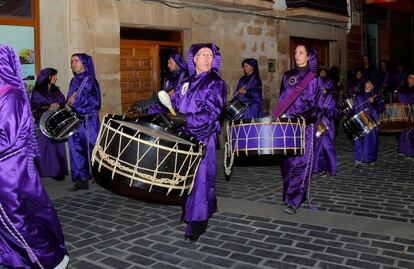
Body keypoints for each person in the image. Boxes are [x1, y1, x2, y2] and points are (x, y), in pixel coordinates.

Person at [0, 44, 69, 268]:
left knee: (17, 218)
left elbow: (7, 137)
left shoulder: (10, 95)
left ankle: (48, 259)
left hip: (10, 166)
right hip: (11, 163)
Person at [153, 43, 226, 241]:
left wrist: (186, 119)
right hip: (184, 137)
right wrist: (160, 113)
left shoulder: (216, 83)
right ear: (194, 59)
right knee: (187, 178)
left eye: (210, 55)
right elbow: (174, 105)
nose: (206, 58)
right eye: (202, 55)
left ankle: (197, 222)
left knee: (201, 179)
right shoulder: (185, 82)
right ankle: (198, 208)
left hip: (203, 137)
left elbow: (212, 113)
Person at [274, 45, 322, 215]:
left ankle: (294, 200)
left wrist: (305, 118)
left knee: (300, 163)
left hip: (304, 126)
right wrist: (279, 115)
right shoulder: (287, 76)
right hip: (286, 125)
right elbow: (282, 98)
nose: (297, 55)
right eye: (295, 52)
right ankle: (288, 194)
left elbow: (317, 106)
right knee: (287, 163)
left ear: (308, 56)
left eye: (301, 52)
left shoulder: (314, 78)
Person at [66, 53, 101, 191]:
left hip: (89, 122)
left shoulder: (91, 81)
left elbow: (96, 103)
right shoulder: (73, 81)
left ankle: (98, 177)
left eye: (76, 61)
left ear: (84, 63)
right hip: (74, 122)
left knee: (92, 149)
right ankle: (81, 180)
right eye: (71, 61)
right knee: (75, 150)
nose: (72, 64)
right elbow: (70, 99)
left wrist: (77, 102)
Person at [30, 68, 68, 181]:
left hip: (55, 123)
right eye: (54, 76)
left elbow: (63, 102)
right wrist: (48, 107)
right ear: (48, 77)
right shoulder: (37, 91)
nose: (56, 78)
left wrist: (59, 104)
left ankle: (58, 172)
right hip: (42, 124)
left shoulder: (56, 90)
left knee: (57, 147)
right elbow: (34, 108)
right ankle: (41, 171)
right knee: (43, 147)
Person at [352, 79, 385, 168]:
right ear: (364, 84)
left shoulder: (376, 97)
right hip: (361, 120)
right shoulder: (359, 96)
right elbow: (356, 108)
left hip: (373, 121)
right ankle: (358, 160)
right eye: (367, 82)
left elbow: (381, 108)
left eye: (371, 83)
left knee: (372, 140)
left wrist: (373, 102)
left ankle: (371, 159)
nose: (370, 85)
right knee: (359, 140)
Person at [313, 74, 338, 177]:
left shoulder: (330, 98)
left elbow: (334, 112)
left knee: (326, 147)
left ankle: (327, 167)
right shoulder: (315, 96)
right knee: (316, 147)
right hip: (316, 124)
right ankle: (317, 168)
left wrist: (326, 110)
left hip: (326, 126)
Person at [396, 70, 414, 158]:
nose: (412, 80)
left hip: (412, 113)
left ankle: (410, 151)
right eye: (410, 78)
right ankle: (403, 149)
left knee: (410, 132)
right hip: (404, 112)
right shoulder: (402, 88)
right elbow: (399, 99)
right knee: (404, 131)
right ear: (407, 79)